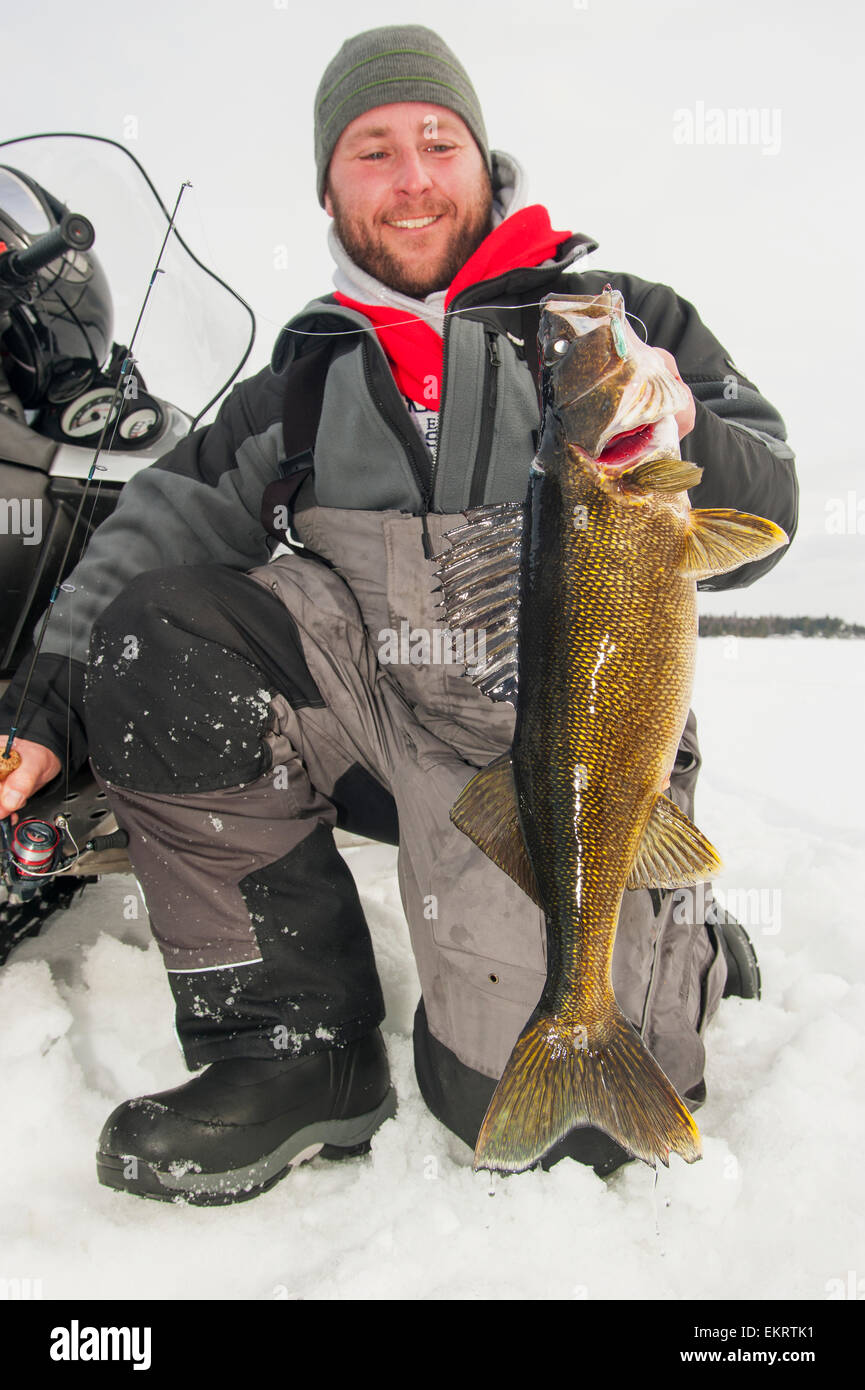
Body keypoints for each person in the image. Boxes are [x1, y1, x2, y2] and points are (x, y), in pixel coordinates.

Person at [0, 25, 798, 1204]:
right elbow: (166, 517)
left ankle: (678, 938)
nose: (412, 174)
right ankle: (294, 1051)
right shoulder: (313, 368)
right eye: (373, 149)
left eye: (438, 140)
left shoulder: (616, 320)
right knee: (160, 621)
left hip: (553, 746)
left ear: (485, 162)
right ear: (330, 186)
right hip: (374, 712)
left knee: (545, 1122)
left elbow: (768, 503)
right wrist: (50, 697)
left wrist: (687, 432)